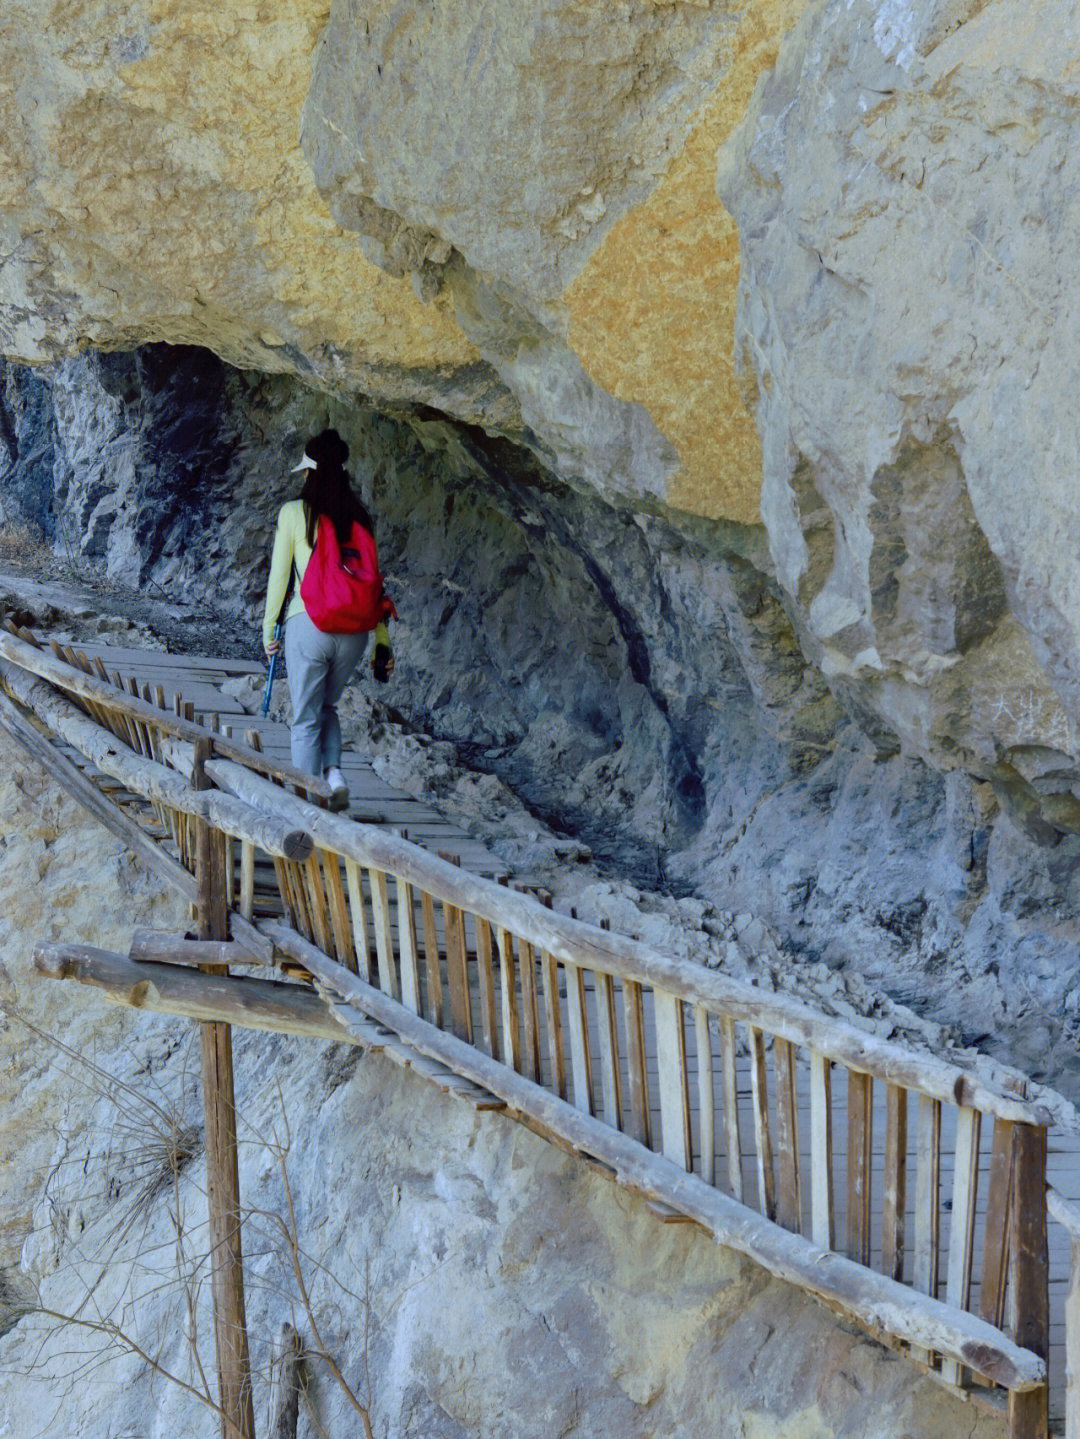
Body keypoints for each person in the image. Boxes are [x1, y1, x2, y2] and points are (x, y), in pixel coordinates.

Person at [261, 428, 394, 810]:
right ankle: (333, 775)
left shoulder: (293, 513)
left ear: (310, 473)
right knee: (326, 707)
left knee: (304, 718)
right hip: (354, 634)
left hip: (309, 626)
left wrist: (269, 630)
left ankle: (305, 804)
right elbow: (375, 587)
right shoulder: (361, 520)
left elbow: (278, 579)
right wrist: (381, 643)